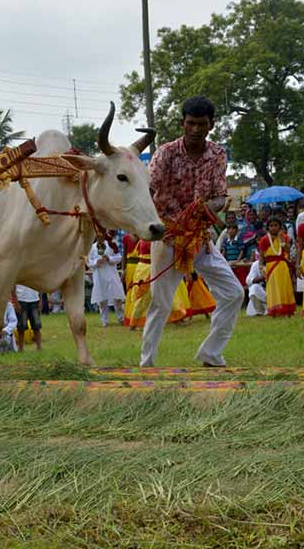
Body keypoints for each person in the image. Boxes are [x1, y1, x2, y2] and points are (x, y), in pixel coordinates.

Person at [141, 96, 244, 368]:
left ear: (211, 125)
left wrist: (202, 208)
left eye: (201, 124)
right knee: (161, 303)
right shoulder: (165, 153)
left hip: (200, 238)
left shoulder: (218, 154)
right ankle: (146, 363)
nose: (196, 129)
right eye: (190, 123)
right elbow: (148, 191)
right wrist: (154, 224)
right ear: (182, 124)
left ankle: (210, 353)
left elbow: (221, 197)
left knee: (234, 292)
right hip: (169, 237)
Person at [258, 216, 295, 317]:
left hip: (282, 265)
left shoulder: (284, 237)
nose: (273, 228)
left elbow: (287, 251)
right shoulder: (264, 240)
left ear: (280, 227)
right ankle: (275, 310)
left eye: (276, 225)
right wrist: (261, 267)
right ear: (268, 227)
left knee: (284, 287)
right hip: (270, 266)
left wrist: (282, 240)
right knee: (273, 288)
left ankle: (286, 309)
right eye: (271, 226)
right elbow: (261, 256)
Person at [87, 235, 125, 327]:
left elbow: (119, 257)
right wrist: (97, 262)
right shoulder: (92, 247)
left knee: (117, 297)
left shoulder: (112, 244)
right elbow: (89, 262)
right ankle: (105, 321)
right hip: (99, 276)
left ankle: (121, 318)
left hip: (112, 275)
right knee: (102, 299)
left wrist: (109, 258)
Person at [125, 238, 152, 330]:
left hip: (143, 269)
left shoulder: (142, 240)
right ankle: (134, 323)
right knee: (142, 298)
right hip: (147, 270)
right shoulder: (148, 241)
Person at [12, 284, 42, 351]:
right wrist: (16, 302)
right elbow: (13, 288)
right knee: (21, 328)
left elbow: (39, 286)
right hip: (21, 300)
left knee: (37, 326)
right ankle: (21, 348)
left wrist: (40, 300)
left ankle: (39, 347)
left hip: (35, 300)